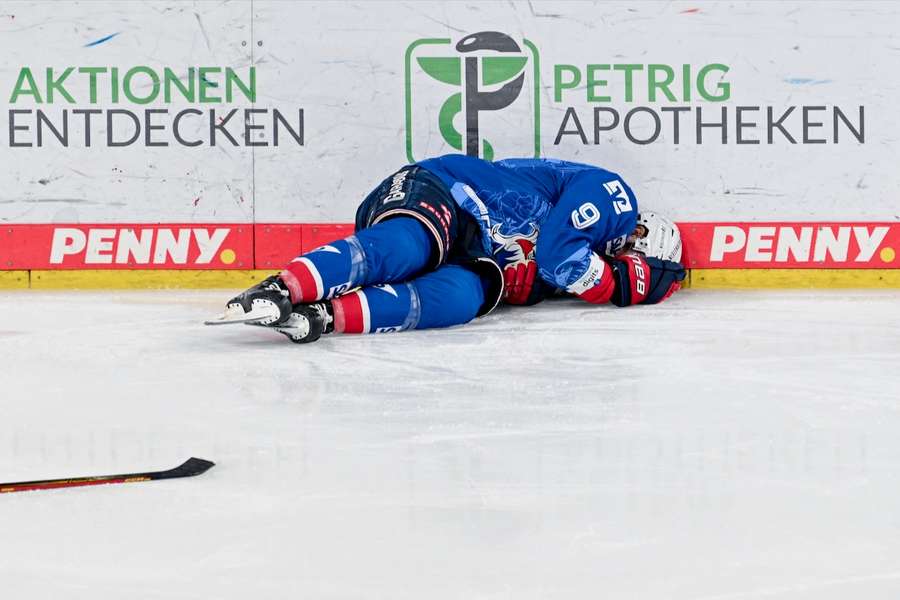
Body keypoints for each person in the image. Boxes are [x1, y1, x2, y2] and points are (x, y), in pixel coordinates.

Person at [213, 154, 686, 343]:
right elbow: (561, 254)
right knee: (408, 245)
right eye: (635, 259)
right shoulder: (612, 194)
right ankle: (282, 286)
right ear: (638, 237)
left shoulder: (570, 276)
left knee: (459, 300)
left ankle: (320, 317)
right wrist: (626, 285)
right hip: (442, 191)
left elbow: (556, 268)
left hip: (475, 258)